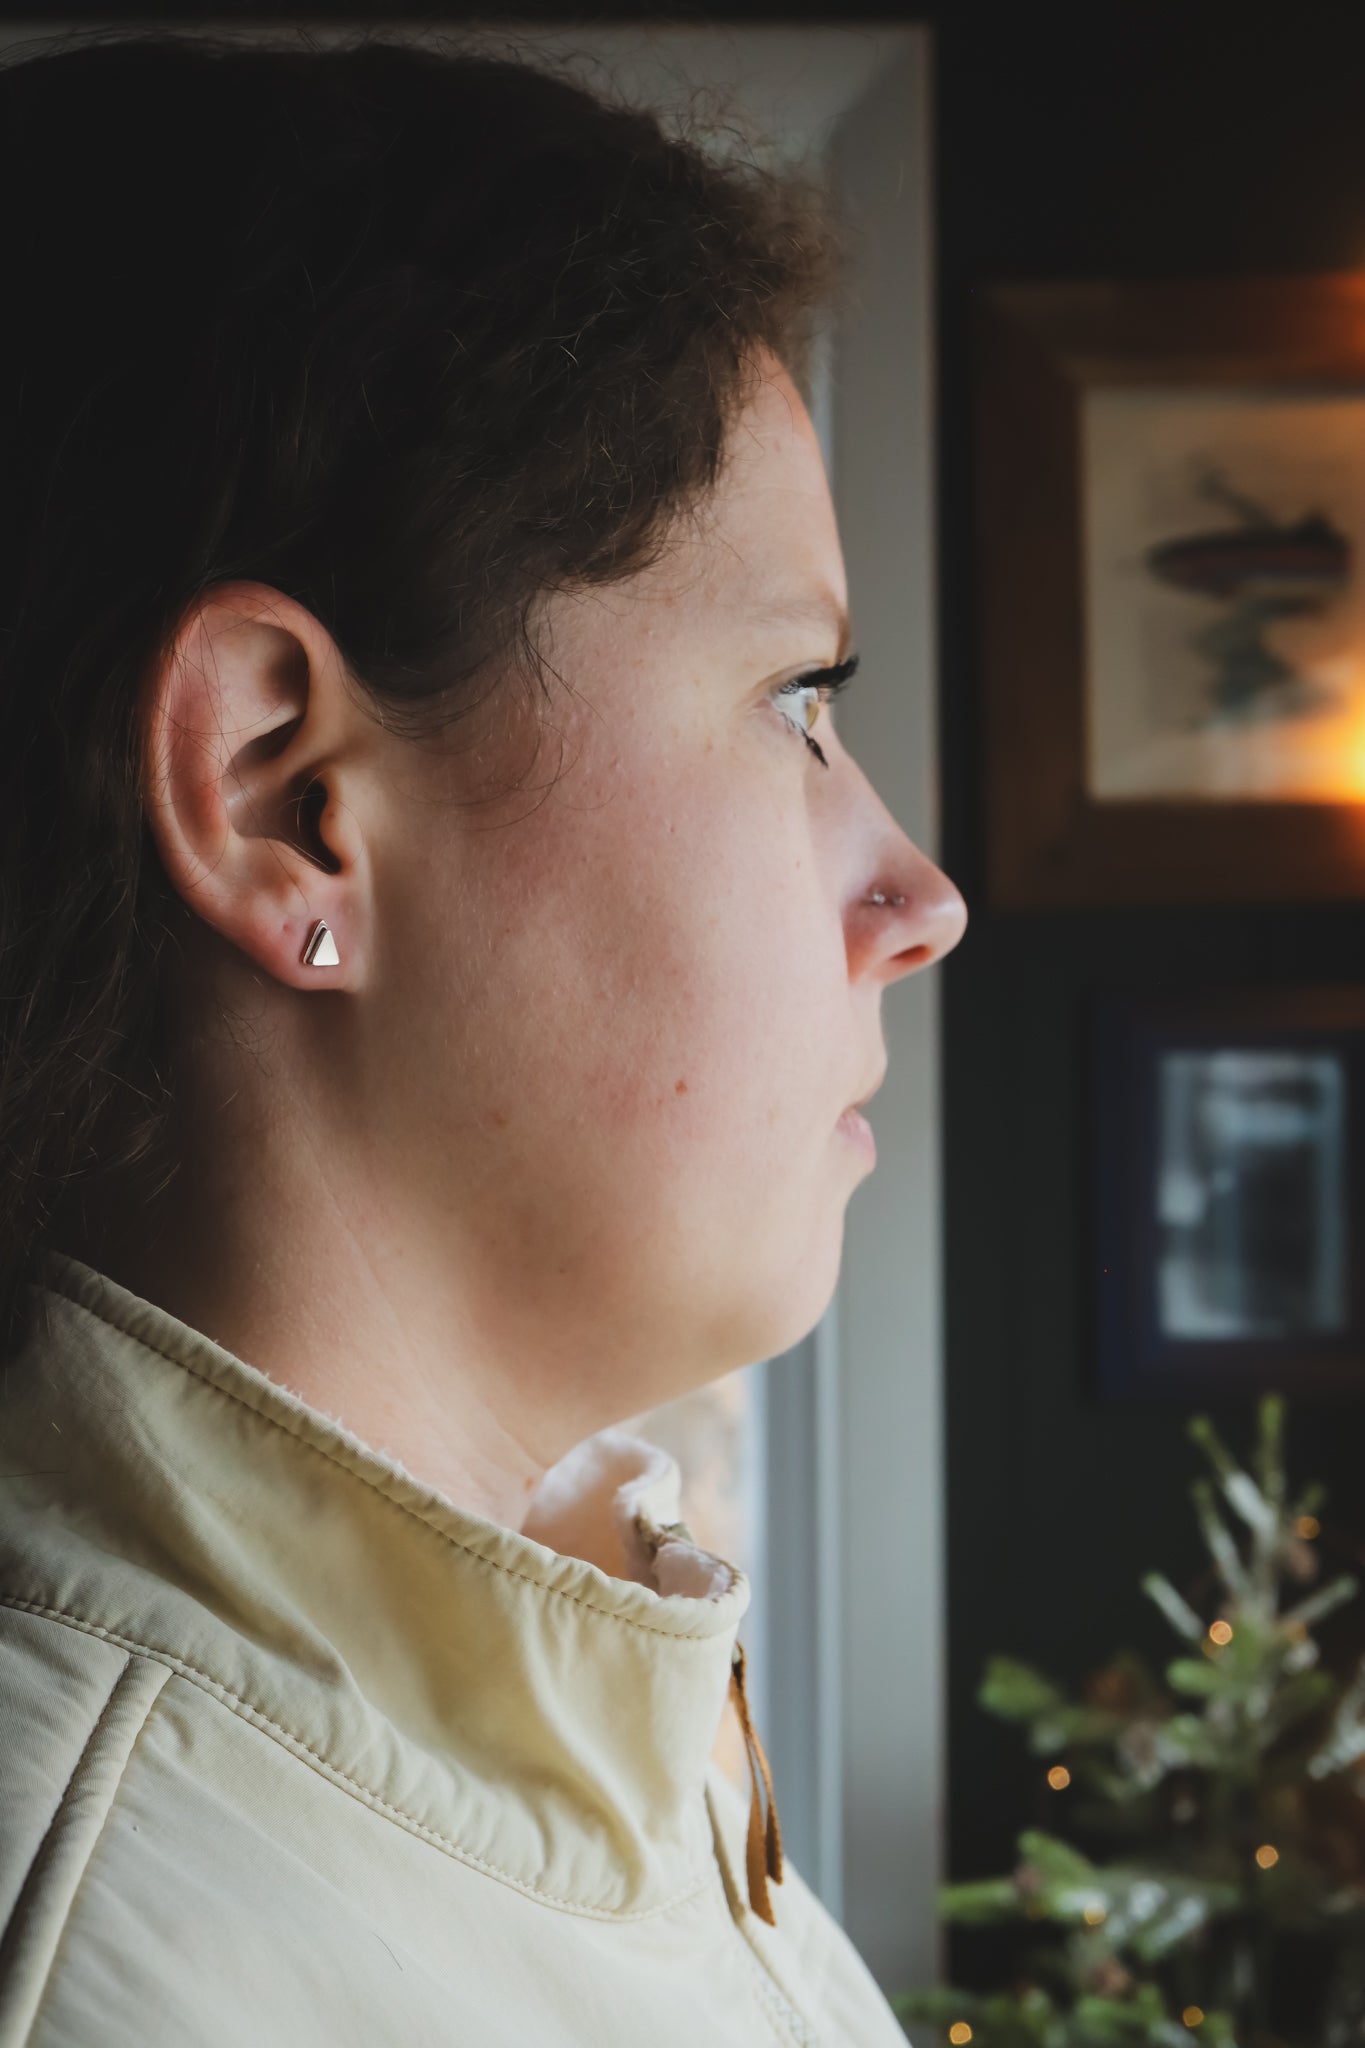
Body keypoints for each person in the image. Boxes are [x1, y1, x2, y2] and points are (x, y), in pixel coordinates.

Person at [0, 27, 967, 2047]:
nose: (918, 897)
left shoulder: (617, 1759)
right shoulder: (109, 1962)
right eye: (796, 701)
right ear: (286, 795)